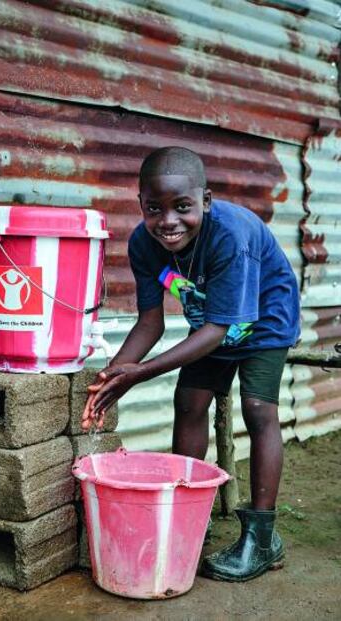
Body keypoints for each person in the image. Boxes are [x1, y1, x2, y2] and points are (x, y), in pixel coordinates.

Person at [82, 146, 301, 582]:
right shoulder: (145, 245)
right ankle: (185, 513)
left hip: (264, 320)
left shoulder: (230, 236)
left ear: (205, 200)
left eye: (182, 207)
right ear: (141, 204)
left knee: (259, 411)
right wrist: (112, 377)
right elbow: (150, 322)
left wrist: (141, 373)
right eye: (154, 208)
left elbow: (220, 330)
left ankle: (262, 539)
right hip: (212, 325)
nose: (168, 221)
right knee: (189, 402)